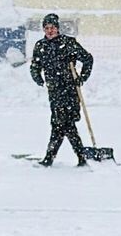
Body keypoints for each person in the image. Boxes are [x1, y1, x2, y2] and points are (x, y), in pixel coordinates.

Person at [29, 13, 94, 167]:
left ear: (57, 28)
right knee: (64, 124)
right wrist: (37, 77)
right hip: (54, 91)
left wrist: (82, 77)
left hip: (70, 90)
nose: (49, 31)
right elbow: (35, 65)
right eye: (46, 28)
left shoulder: (68, 43)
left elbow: (87, 59)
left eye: (52, 27)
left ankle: (51, 158)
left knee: (62, 124)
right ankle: (80, 157)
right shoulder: (41, 46)